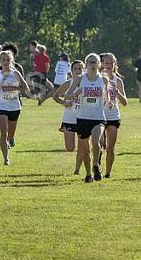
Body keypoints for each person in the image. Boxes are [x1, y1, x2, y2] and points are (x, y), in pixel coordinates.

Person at [68, 53, 108, 183]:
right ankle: (88, 174)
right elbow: (67, 95)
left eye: (95, 62)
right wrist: (77, 93)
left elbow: (107, 98)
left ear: (99, 65)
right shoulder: (80, 79)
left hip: (98, 117)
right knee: (85, 149)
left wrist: (109, 101)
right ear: (86, 65)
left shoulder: (104, 80)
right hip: (83, 118)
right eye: (90, 62)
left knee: (96, 140)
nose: (92, 64)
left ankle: (96, 165)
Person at [0, 48, 29, 166]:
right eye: (3, 60)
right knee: (4, 132)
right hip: (1, 106)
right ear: (0, 61)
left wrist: (15, 89)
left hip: (14, 107)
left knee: (10, 134)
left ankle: (11, 138)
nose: (5, 62)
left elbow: (26, 88)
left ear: (11, 61)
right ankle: (6, 158)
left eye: (7, 60)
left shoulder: (15, 73)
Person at [52, 59, 84, 174]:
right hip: (69, 118)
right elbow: (55, 96)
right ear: (71, 71)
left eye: (80, 68)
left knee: (82, 146)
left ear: (84, 70)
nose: (78, 70)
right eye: (75, 69)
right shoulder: (67, 84)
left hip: (83, 118)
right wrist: (63, 103)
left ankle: (77, 169)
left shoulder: (88, 83)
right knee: (70, 148)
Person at [99, 53, 128, 178]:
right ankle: (96, 165)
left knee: (110, 147)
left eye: (111, 62)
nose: (109, 65)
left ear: (115, 65)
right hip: (99, 115)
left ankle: (107, 173)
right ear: (102, 65)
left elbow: (125, 103)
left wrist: (117, 93)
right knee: (98, 145)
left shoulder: (118, 80)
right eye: (106, 62)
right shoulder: (97, 79)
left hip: (113, 116)